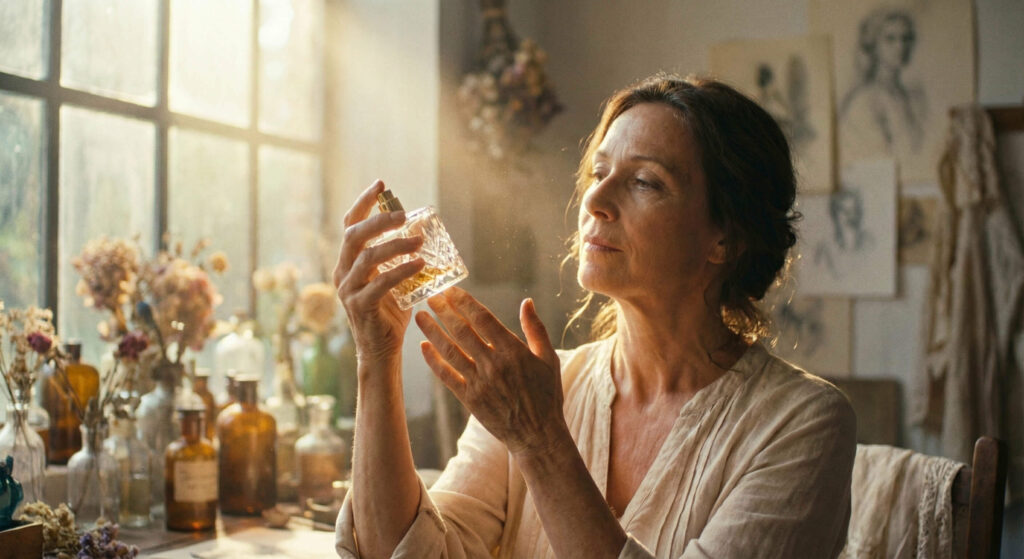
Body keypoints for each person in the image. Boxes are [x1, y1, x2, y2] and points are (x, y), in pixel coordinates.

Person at [332, 74, 856, 558]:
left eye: (646, 182)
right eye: (599, 172)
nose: (596, 200)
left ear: (726, 237)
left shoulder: (803, 422)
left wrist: (540, 441)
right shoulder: (537, 387)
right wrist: (376, 357)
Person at [839, 8, 925, 156]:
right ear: (874, 46)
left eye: (905, 38)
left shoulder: (912, 96)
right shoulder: (864, 100)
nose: (900, 46)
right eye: (890, 39)